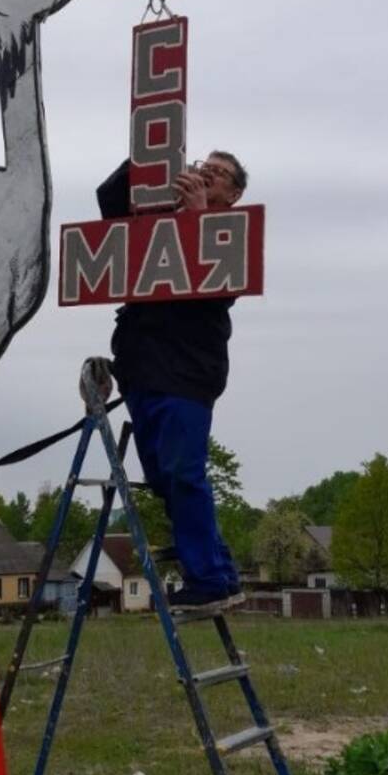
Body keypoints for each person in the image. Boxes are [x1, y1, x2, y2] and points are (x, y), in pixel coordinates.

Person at [96, 151, 249, 613]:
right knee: (164, 478)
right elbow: (109, 199)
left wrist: (199, 215)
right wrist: (153, 157)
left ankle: (207, 579)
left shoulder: (230, 232)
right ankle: (221, 573)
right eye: (205, 165)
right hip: (143, 369)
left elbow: (221, 290)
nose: (206, 175)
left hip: (187, 371)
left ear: (235, 193)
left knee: (184, 474)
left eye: (218, 174)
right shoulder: (158, 217)